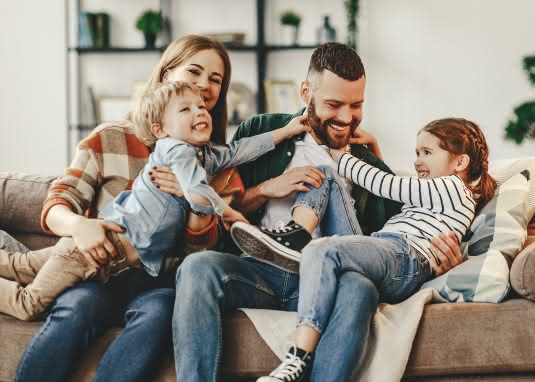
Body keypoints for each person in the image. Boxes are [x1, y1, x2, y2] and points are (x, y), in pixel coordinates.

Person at [171, 42, 465, 382]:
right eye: (334, 104)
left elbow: (396, 240)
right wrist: (265, 189)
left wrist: (442, 258)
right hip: (260, 273)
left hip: (330, 280)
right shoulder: (261, 130)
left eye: (356, 105)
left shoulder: (364, 158)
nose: (345, 118)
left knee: (360, 287)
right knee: (197, 267)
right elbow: (220, 213)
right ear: (306, 92)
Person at [0, 34, 234, 382]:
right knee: (78, 306)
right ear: (167, 74)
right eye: (194, 72)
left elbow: (198, 252)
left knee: (160, 312)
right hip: (96, 270)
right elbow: (57, 204)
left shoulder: (211, 162)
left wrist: (193, 200)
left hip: (156, 279)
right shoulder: (111, 136)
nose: (204, 85)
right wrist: (81, 226)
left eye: (215, 80)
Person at [0, 80, 308, 321]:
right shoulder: (176, 150)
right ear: (160, 131)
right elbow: (197, 192)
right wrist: (228, 213)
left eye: (201, 106)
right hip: (90, 251)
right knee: (29, 305)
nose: (200, 112)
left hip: (105, 261)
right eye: (185, 109)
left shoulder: (203, 155)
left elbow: (241, 149)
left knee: (20, 265)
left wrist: (285, 131)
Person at [249, 117, 496, 381]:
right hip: (384, 248)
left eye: (427, 152)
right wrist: (374, 151)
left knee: (322, 249)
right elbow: (399, 193)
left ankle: (297, 357)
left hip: (404, 256)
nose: (417, 160)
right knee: (326, 176)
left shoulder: (453, 187)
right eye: (416, 153)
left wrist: (341, 156)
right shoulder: (438, 193)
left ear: (460, 162)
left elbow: (387, 185)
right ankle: (296, 236)